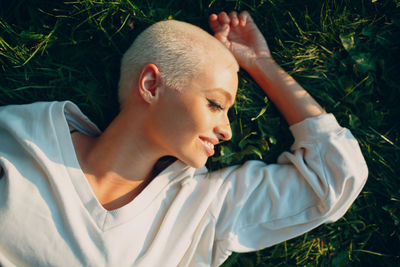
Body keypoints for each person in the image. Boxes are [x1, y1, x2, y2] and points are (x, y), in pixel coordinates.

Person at [0, 11, 368, 267]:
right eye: (214, 104)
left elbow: (335, 177)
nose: (227, 130)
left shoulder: (199, 211)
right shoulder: (24, 135)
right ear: (151, 85)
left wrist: (261, 63)